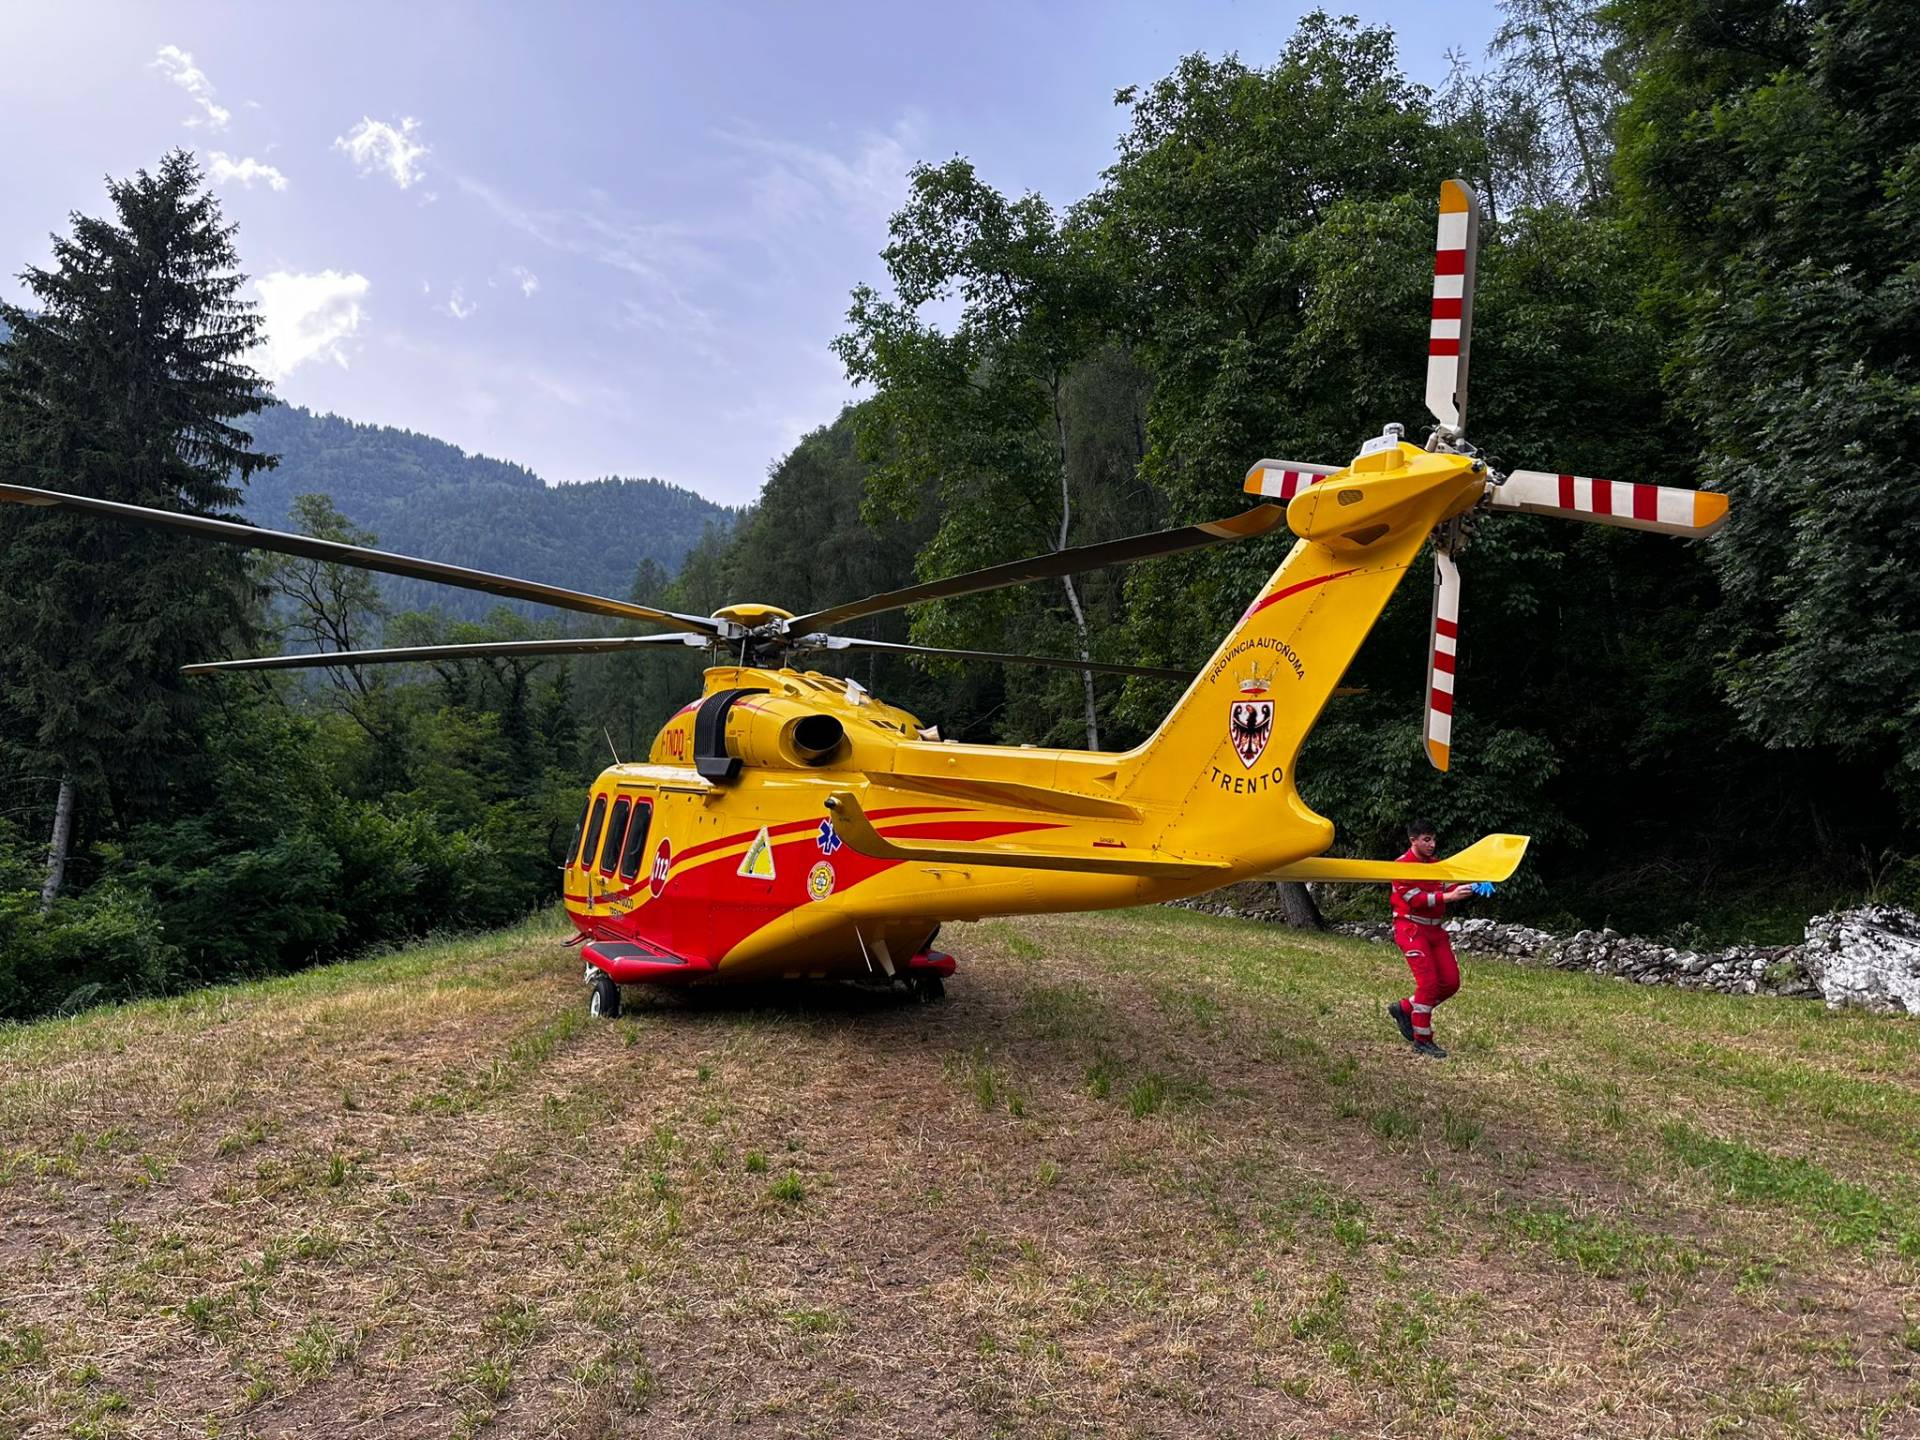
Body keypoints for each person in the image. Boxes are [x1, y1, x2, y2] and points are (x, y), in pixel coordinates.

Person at [1385, 818, 1483, 1059]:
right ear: (1413, 841)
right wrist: (1449, 897)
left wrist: (1474, 885)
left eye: (1433, 839)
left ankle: (1405, 1008)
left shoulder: (1436, 864)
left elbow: (1448, 885)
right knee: (1428, 984)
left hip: (1435, 931)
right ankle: (1422, 1040)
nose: (1432, 844)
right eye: (1426, 840)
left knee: (1450, 983)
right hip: (1411, 929)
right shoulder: (1401, 866)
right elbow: (1416, 900)